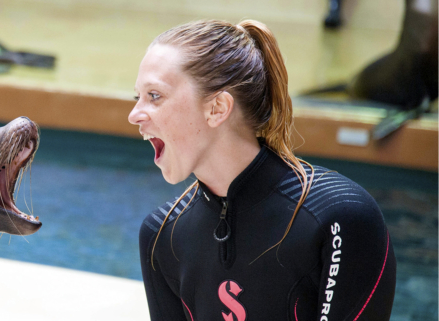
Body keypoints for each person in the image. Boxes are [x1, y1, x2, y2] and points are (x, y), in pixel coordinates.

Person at [128, 19, 396, 320]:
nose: (134, 114)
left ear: (217, 108)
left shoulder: (340, 216)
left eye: (154, 96)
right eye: (137, 96)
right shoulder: (162, 236)